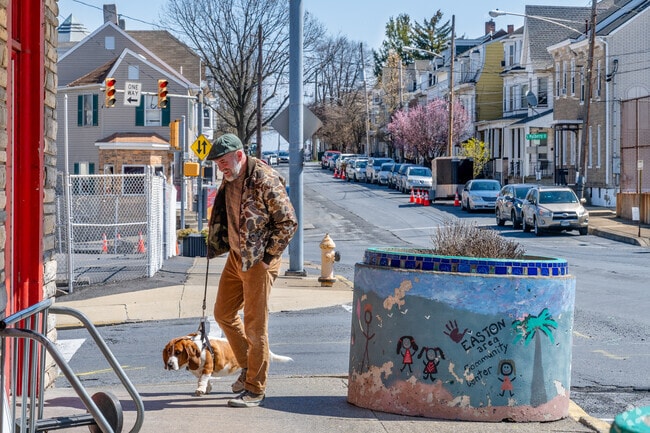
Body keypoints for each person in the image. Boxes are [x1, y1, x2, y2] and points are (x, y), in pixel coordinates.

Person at [205, 133, 297, 408]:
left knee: (255, 326)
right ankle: (247, 366)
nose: (221, 168)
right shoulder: (231, 177)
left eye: (223, 162)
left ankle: (255, 389)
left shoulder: (265, 180)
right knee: (222, 312)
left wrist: (269, 258)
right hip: (236, 257)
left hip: (258, 262)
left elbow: (288, 222)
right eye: (218, 164)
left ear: (240, 155)